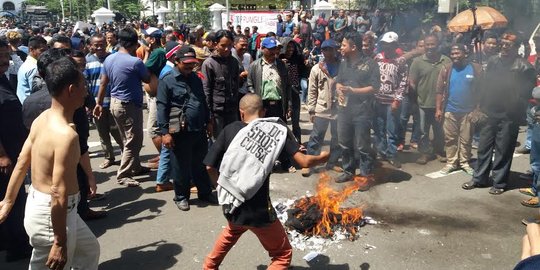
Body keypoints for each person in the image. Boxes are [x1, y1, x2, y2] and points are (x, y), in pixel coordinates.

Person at [202, 93, 329, 270]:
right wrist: (325, 156)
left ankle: (209, 266)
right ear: (264, 112)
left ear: (241, 113)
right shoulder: (276, 132)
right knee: (282, 254)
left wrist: (223, 189)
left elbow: (209, 167)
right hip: (259, 209)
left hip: (232, 202)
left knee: (232, 230)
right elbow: (304, 162)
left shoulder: (230, 130)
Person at [0, 56, 100, 270]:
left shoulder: (42, 118)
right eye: (83, 86)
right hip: (52, 215)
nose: (86, 91)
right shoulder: (66, 135)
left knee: (89, 250)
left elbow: (21, 163)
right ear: (71, 89)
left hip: (47, 208)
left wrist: (8, 202)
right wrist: (59, 242)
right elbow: (58, 192)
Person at [462, 31, 536, 195]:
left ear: (517, 48)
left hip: (509, 116)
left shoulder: (525, 67)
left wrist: (513, 102)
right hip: (490, 112)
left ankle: (500, 182)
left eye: (507, 45)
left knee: (504, 150)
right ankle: (479, 179)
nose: (503, 47)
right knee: (484, 147)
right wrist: (480, 104)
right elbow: (486, 84)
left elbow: (527, 93)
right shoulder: (494, 61)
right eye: (501, 44)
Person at [157, 46, 216, 211]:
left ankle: (205, 193)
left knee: (201, 164)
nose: (190, 67)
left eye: (192, 63)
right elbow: (162, 107)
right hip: (181, 132)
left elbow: (202, 101)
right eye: (186, 64)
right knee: (181, 166)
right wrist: (165, 133)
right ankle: (181, 196)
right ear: (177, 61)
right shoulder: (167, 80)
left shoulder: (196, 78)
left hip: (199, 128)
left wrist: (208, 121)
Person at [94, 27, 152, 187]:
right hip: (129, 105)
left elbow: (103, 83)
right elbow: (147, 78)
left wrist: (98, 103)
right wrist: (146, 55)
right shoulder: (135, 62)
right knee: (134, 140)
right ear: (133, 44)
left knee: (127, 138)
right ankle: (124, 174)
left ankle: (136, 167)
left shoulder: (109, 59)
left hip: (114, 103)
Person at [0, 38, 32, 262]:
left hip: (14, 150)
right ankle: (15, 245)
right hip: (5, 156)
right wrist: (1, 155)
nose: (4, 61)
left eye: (5, 56)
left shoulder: (3, 78)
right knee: (10, 197)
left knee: (16, 195)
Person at [334, 31, 380, 187]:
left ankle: (366, 176)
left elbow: (375, 88)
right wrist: (340, 88)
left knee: (362, 145)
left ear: (353, 47)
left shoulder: (370, 64)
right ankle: (348, 171)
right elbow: (339, 82)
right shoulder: (343, 63)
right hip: (344, 110)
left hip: (362, 111)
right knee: (344, 143)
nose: (341, 47)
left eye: (343, 45)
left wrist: (353, 91)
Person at [247, 37, 293, 172]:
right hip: (263, 106)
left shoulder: (282, 65)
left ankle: (286, 162)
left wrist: (288, 105)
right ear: (263, 49)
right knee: (263, 135)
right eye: (271, 49)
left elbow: (288, 86)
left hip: (278, 104)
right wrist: (255, 100)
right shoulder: (255, 66)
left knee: (281, 133)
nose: (274, 52)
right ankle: (267, 163)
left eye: (276, 50)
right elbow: (250, 84)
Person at [435, 44, 482, 175]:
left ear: (465, 54)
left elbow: (481, 91)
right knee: (450, 139)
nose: (455, 56)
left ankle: (464, 162)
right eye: (453, 53)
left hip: (468, 111)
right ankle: (451, 162)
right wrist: (438, 109)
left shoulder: (475, 69)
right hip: (450, 110)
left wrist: (478, 109)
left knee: (466, 139)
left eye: (457, 53)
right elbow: (439, 90)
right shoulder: (447, 69)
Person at [409, 34, 451, 165]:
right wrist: (414, 100)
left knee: (439, 130)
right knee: (423, 131)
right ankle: (425, 153)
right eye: (427, 44)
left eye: (433, 44)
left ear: (438, 45)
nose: (430, 47)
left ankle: (439, 151)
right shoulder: (417, 62)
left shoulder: (446, 61)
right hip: (423, 102)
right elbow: (412, 83)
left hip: (442, 104)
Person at [303, 39, 343, 176]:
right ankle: (310, 163)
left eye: (330, 49)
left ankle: (333, 163)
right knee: (316, 137)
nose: (328, 52)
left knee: (337, 137)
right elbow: (312, 90)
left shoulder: (342, 66)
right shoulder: (316, 69)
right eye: (325, 50)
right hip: (321, 109)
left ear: (335, 50)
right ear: (322, 52)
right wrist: (311, 110)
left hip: (338, 109)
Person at [85, 34, 124, 169]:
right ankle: (109, 157)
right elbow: (85, 83)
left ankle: (126, 156)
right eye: (96, 45)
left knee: (117, 131)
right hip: (96, 105)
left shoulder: (113, 58)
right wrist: (88, 104)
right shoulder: (87, 61)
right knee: (102, 132)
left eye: (102, 44)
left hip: (114, 101)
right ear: (90, 46)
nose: (99, 47)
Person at [373, 32, 408, 169]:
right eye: (385, 45)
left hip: (391, 101)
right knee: (378, 128)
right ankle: (381, 152)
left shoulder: (401, 61)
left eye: (390, 45)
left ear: (395, 46)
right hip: (377, 99)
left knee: (391, 129)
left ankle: (392, 154)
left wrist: (397, 100)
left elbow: (403, 82)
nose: (387, 48)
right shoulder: (378, 58)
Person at [201, 30, 241, 138]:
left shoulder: (233, 62)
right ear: (215, 44)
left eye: (229, 45)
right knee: (218, 144)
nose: (227, 49)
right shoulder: (209, 64)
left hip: (232, 110)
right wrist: (209, 117)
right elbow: (206, 91)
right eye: (223, 46)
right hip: (217, 112)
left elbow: (236, 86)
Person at [16, 36, 47, 103]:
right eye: (42, 50)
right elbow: (37, 92)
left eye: (46, 50)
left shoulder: (27, 64)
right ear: (31, 50)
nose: (45, 54)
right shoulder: (34, 68)